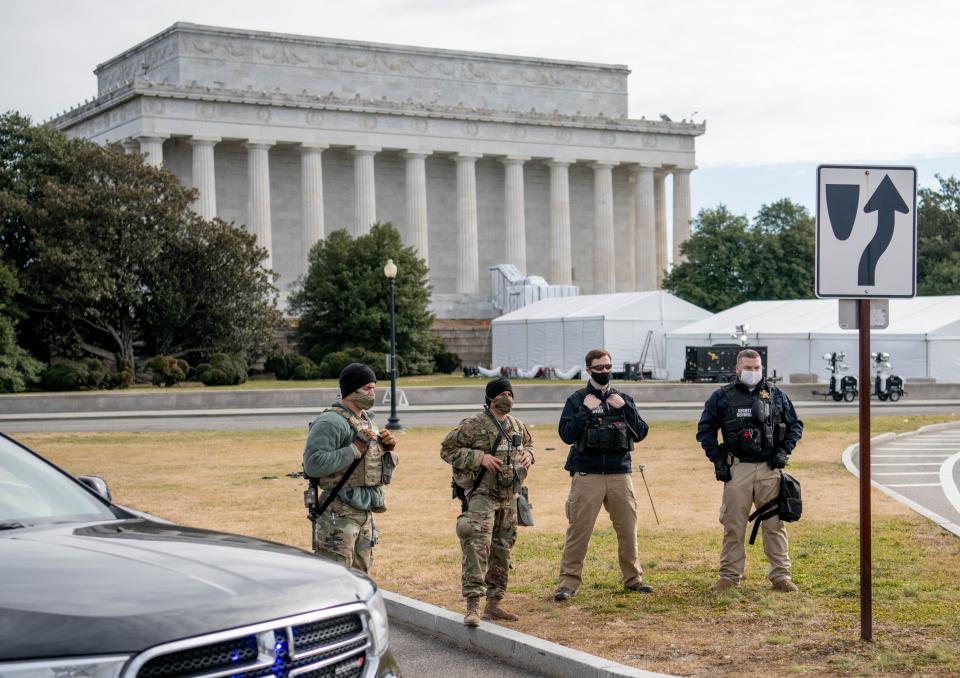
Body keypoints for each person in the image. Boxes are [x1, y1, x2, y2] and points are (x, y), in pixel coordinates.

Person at [696, 348, 803, 592]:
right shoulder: (721, 396)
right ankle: (729, 577)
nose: (752, 372)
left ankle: (781, 576)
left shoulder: (776, 395)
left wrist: (784, 451)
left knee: (774, 525)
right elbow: (705, 431)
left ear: (762, 369)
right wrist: (718, 461)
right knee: (733, 525)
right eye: (748, 368)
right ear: (737, 369)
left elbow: (795, 425)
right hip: (738, 469)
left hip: (769, 469)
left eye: (757, 368)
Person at [554, 349, 651, 602]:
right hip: (588, 473)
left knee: (628, 530)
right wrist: (585, 411)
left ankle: (633, 580)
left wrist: (626, 409)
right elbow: (566, 435)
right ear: (588, 370)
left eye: (608, 367)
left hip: (620, 472)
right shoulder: (577, 399)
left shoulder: (623, 399)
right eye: (599, 368)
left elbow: (640, 432)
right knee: (579, 530)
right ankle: (568, 583)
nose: (605, 371)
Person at [441, 378, 535, 627]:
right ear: (491, 398)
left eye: (510, 393)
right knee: (476, 546)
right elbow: (447, 449)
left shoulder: (517, 425)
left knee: (502, 550)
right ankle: (473, 605)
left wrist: (529, 455)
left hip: (509, 496)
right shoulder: (473, 425)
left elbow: (529, 444)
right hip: (483, 495)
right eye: (502, 393)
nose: (508, 397)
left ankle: (494, 604)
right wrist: (479, 457)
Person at [302, 362, 397, 572]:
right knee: (335, 578)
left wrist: (386, 447)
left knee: (360, 577)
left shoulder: (366, 420)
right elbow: (313, 464)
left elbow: (370, 465)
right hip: (339, 511)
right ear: (350, 390)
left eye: (374, 387)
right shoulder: (331, 422)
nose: (372, 393)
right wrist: (353, 449)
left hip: (364, 511)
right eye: (367, 388)